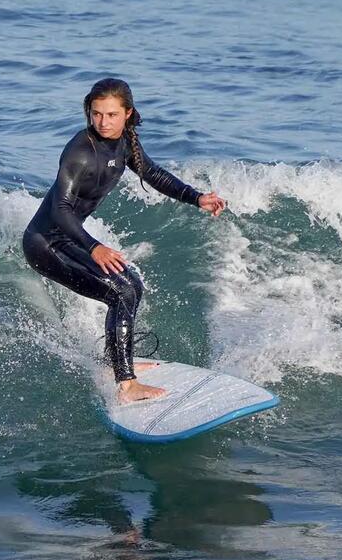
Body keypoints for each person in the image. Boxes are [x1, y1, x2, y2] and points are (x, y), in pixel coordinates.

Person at [22, 78, 226, 404]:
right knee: (123, 290)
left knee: (131, 287)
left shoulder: (125, 142)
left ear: (127, 114)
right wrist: (94, 247)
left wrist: (196, 198)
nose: (103, 122)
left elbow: (152, 172)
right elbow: (60, 209)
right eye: (97, 114)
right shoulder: (80, 152)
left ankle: (115, 365)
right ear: (89, 112)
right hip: (45, 244)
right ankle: (126, 385)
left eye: (112, 115)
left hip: (68, 239)